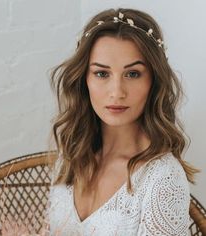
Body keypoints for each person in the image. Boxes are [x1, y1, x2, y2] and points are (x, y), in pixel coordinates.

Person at [44, 8, 199, 236]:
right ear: (84, 79)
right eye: (102, 74)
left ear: (153, 81)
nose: (117, 92)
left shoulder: (162, 179)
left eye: (133, 74)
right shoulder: (71, 155)